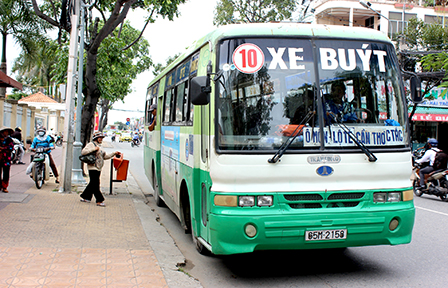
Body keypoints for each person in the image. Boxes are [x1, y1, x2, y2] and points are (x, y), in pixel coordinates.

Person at [80, 131, 120, 207]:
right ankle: (99, 200)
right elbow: (83, 152)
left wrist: (114, 153)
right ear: (96, 138)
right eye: (100, 138)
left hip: (99, 167)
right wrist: (93, 149)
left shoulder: (100, 146)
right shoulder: (91, 145)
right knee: (95, 184)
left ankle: (86, 197)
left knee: (92, 183)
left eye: (102, 138)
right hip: (92, 167)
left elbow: (105, 157)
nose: (101, 139)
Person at [0, 127, 14, 193]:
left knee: (6, 173)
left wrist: (3, 148)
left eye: (7, 132)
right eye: (5, 131)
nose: (6, 133)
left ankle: (5, 186)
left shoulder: (9, 140)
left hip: (6, 159)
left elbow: (11, 148)